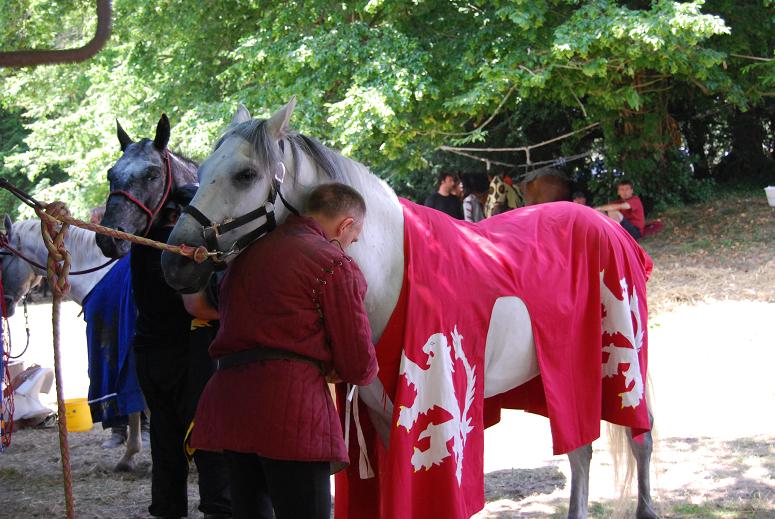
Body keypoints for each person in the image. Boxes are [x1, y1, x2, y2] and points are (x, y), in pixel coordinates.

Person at [191, 182, 378, 519]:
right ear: (346, 225)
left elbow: (205, 305)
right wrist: (335, 363)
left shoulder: (244, 254)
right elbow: (359, 364)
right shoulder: (332, 263)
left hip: (229, 405)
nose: (351, 245)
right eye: (354, 237)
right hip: (291, 409)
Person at [131, 188, 230, 519]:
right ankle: (218, 508)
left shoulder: (141, 242)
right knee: (207, 436)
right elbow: (197, 305)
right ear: (178, 215)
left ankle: (167, 508)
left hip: (149, 352)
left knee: (164, 436)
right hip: (185, 357)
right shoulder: (181, 248)